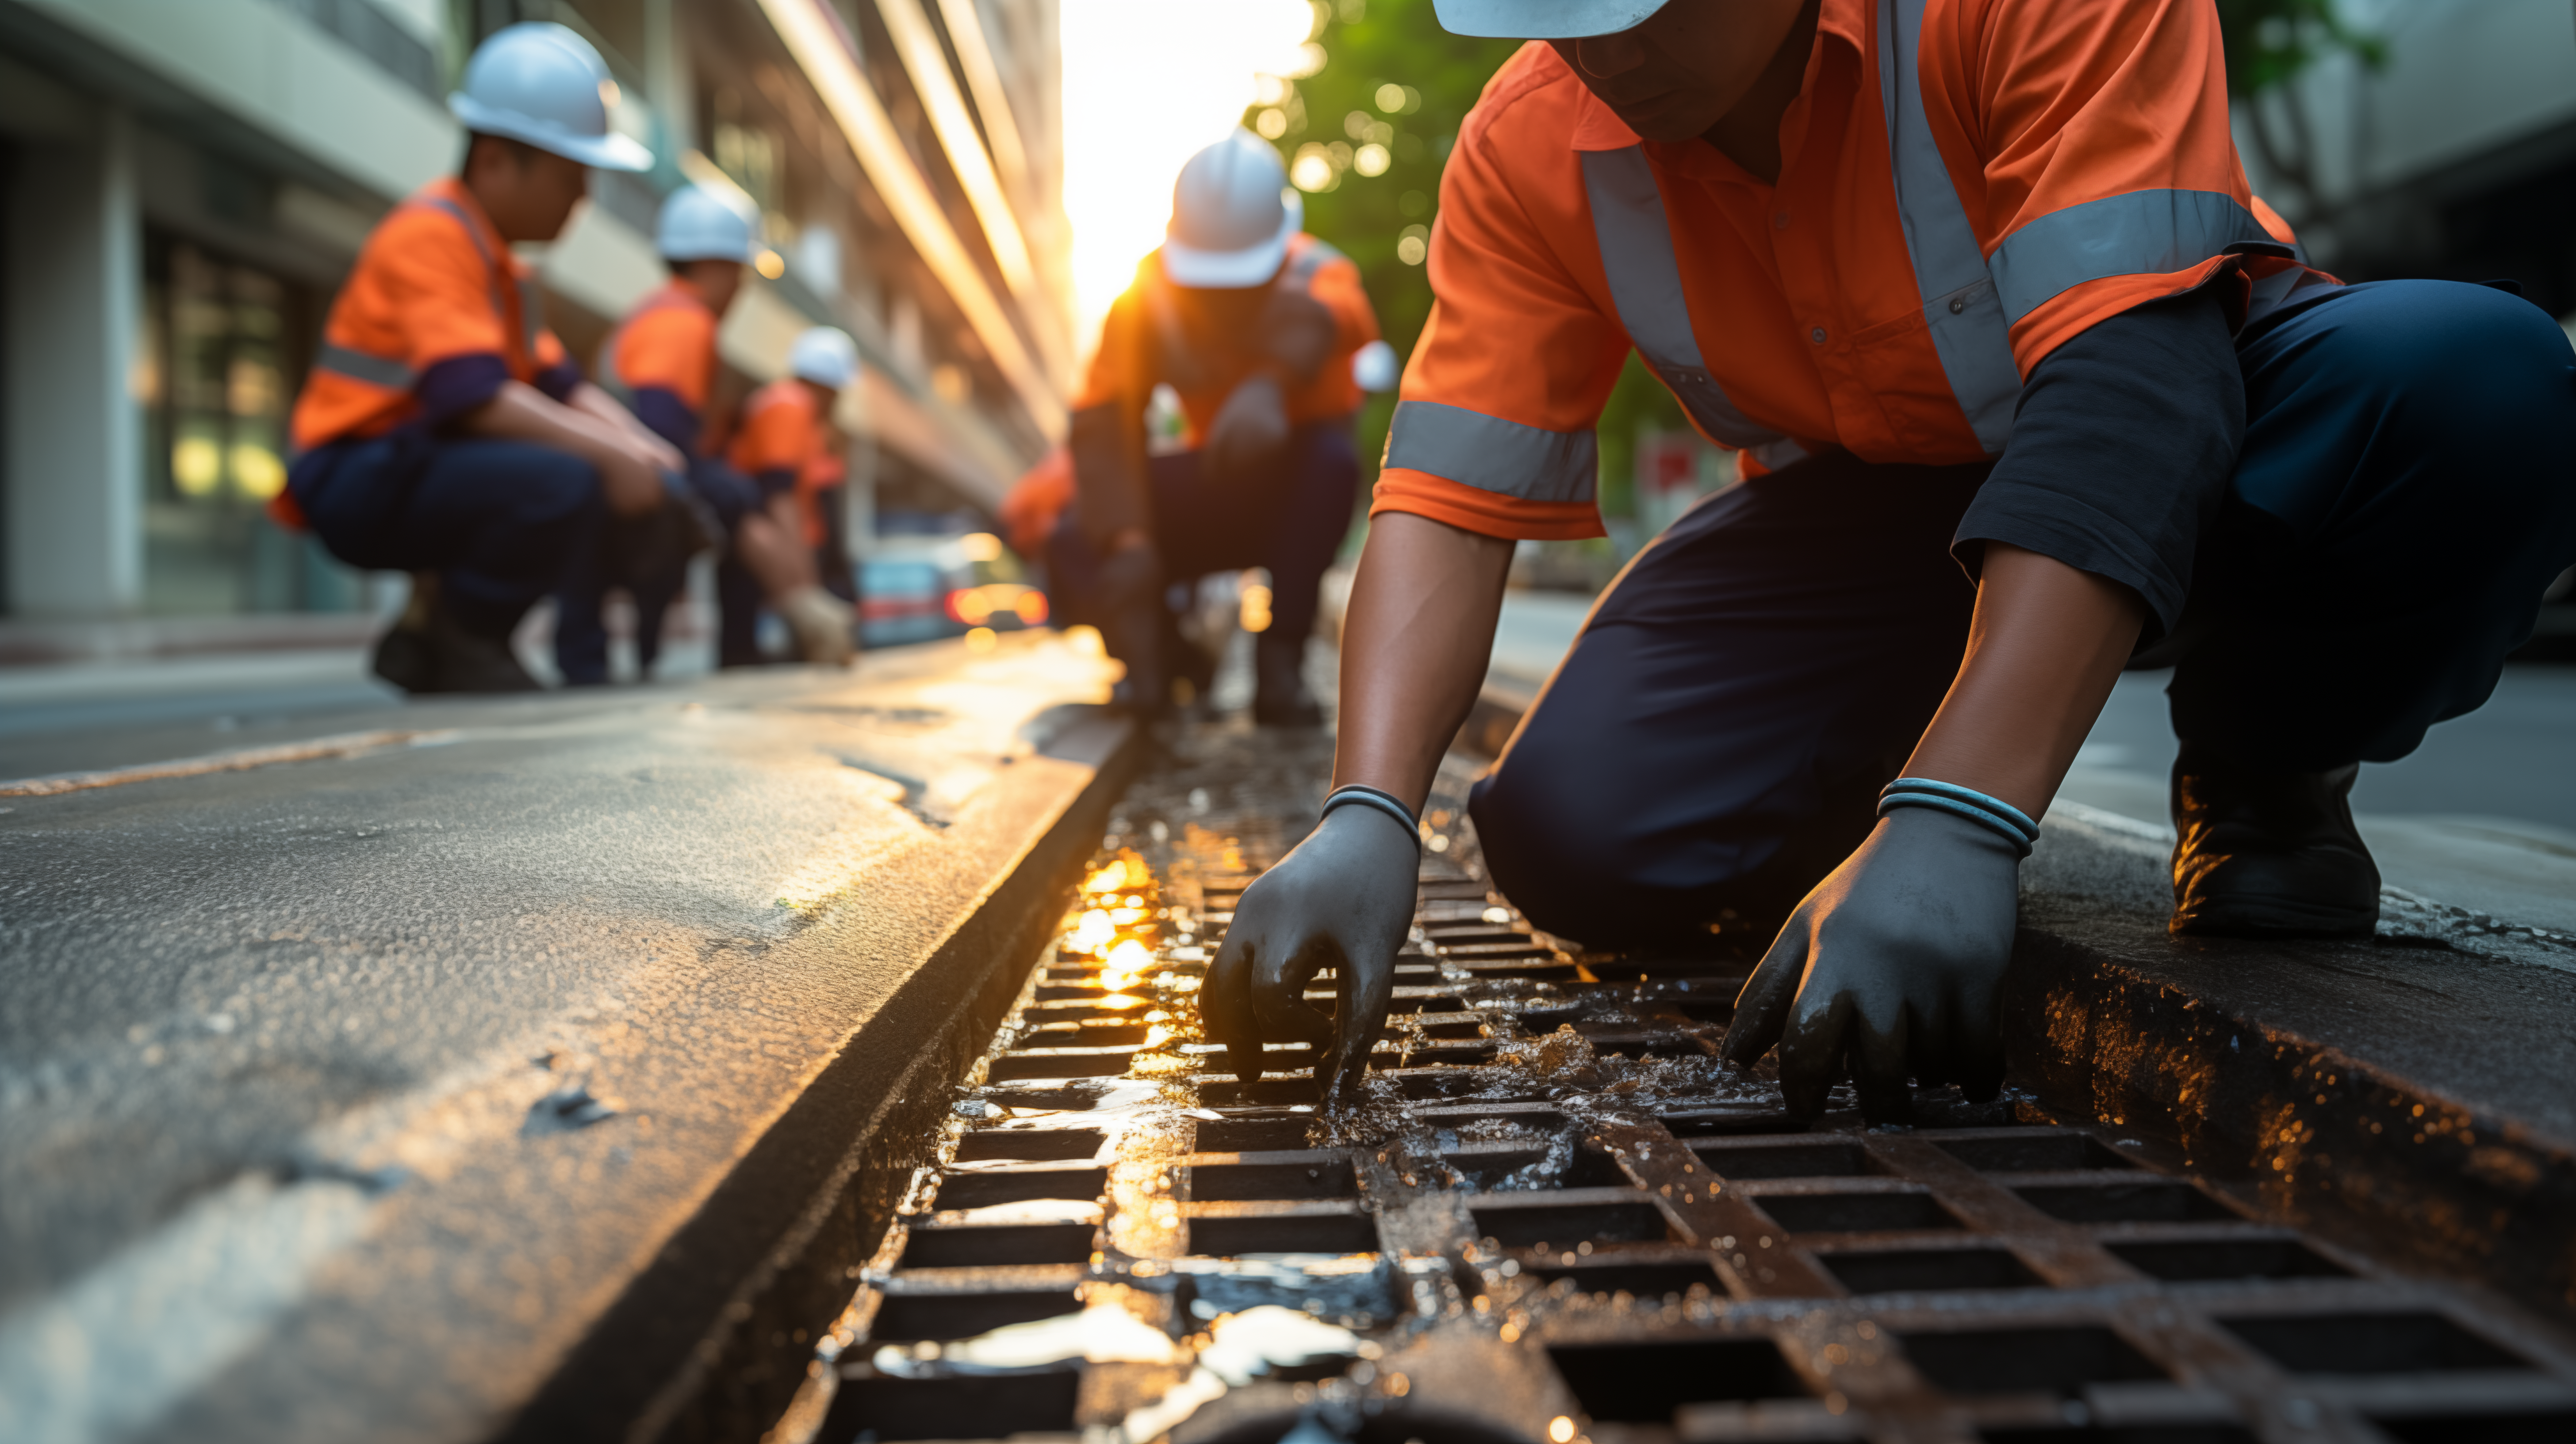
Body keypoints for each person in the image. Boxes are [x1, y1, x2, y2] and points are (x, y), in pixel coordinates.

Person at [1205, 0, 2576, 1115]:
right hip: (1881, 510)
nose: (1603, 48)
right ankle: (1884, 833)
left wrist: (1966, 814)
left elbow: (2127, 383)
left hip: (2199, 405)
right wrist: (1369, 807)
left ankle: (2265, 771)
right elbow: (1450, 495)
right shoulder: (1530, 141)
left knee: (2473, 384)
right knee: (1575, 831)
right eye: (1562, 18)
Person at [277, 22, 682, 693]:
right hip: (350, 474)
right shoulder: (431, 234)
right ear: (495, 160)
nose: (582, 198)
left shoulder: (500, 269)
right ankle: (462, 638)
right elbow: (472, 396)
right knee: (565, 481)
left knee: (586, 467)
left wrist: (647, 451)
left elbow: (560, 385)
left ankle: (426, 637)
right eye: (570, 176)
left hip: (402, 463)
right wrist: (613, 459)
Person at [1051, 129, 1384, 724]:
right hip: (1215, 482)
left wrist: (1272, 381)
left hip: (1293, 496)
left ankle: (1280, 663)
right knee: (1075, 540)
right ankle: (1165, 656)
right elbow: (1102, 417)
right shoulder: (1145, 298)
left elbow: (1345, 316)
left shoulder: (1314, 267)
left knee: (1330, 465)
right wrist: (1127, 541)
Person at [554, 185, 856, 680]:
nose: (740, 287)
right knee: (727, 496)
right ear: (719, 266)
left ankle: (623, 656)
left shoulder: (653, 313)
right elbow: (661, 427)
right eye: (739, 272)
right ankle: (786, 622)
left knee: (721, 496)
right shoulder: (684, 325)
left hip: (608, 468)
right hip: (623, 472)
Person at [724, 327, 863, 666]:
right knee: (742, 650)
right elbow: (779, 496)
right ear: (829, 387)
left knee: (747, 646)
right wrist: (806, 586)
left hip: (766, 537)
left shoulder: (798, 412)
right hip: (762, 539)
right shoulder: (789, 407)